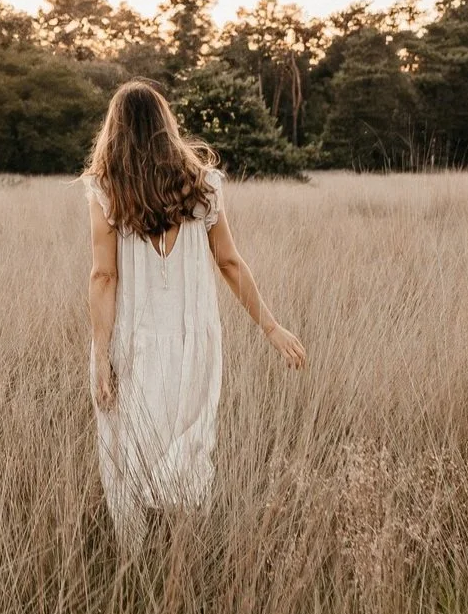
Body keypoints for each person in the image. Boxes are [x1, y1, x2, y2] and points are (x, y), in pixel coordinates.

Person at [83, 80, 305, 552]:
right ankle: (183, 552)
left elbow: (104, 277)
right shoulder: (202, 185)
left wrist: (102, 356)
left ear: (115, 130)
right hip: (193, 340)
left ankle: (138, 559)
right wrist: (270, 324)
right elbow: (229, 262)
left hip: (133, 338)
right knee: (184, 445)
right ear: (166, 124)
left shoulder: (106, 188)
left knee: (130, 452)